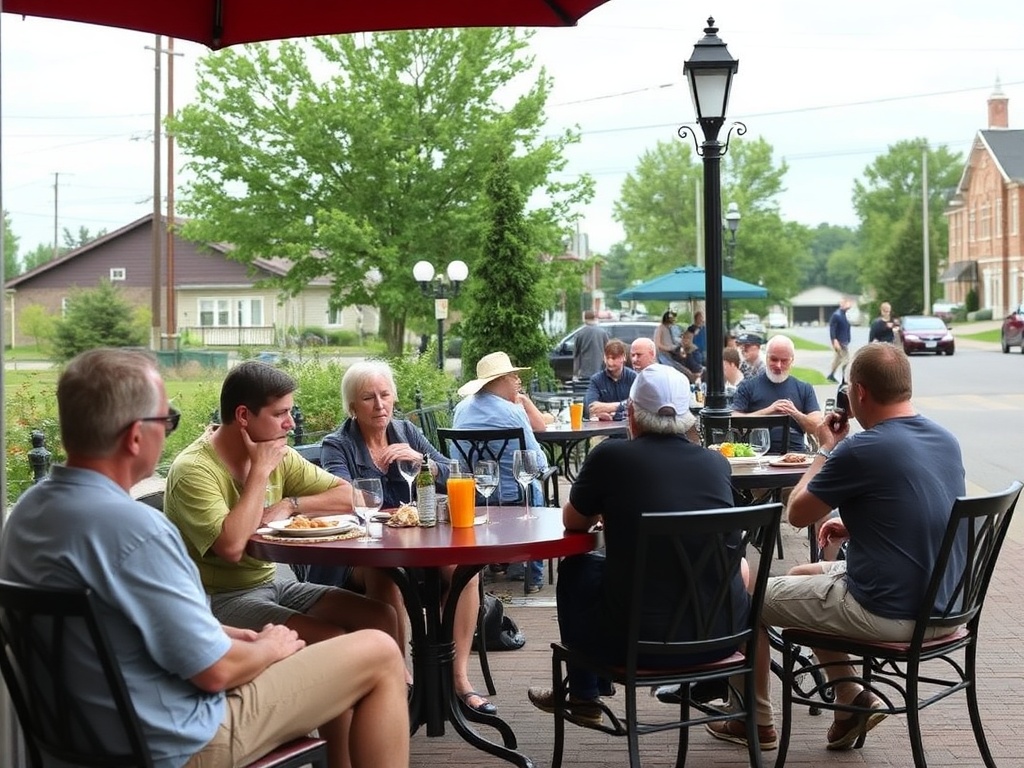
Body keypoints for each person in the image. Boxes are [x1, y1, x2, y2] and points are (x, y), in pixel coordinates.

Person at [0, 349, 408, 768]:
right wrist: (269, 647)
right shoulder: (139, 531)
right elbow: (216, 672)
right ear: (136, 437)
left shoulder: (27, 516)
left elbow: (133, 625)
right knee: (378, 651)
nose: (169, 432)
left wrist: (235, 636)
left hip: (83, 741)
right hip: (179, 740)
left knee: (358, 633)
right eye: (167, 420)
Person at [707, 343, 965, 753]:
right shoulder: (944, 439)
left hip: (892, 611)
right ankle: (850, 700)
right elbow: (922, 510)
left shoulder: (861, 449)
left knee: (743, 597)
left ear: (859, 392)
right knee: (802, 576)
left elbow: (798, 513)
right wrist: (856, 523)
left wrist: (825, 448)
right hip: (946, 606)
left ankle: (752, 720)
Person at [526, 364, 742, 725]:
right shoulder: (716, 463)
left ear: (631, 414)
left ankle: (584, 694)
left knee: (579, 567)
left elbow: (573, 522)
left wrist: (610, 510)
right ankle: (589, 691)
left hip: (636, 646)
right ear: (688, 417)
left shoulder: (610, 456)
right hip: (721, 640)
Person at [164, 361, 401, 651]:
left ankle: (397, 681)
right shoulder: (194, 470)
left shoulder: (280, 455)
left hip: (271, 585)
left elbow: (354, 497)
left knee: (380, 615)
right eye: (280, 414)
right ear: (243, 416)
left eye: (290, 412)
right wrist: (260, 471)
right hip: (216, 599)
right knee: (331, 638)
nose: (291, 423)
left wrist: (292, 504)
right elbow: (232, 547)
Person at [314, 360, 495, 715]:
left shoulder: (406, 432)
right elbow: (342, 494)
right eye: (368, 398)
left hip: (417, 547)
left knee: (466, 569)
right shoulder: (338, 445)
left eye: (385, 395)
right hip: (361, 553)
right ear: (352, 405)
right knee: (386, 573)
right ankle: (401, 680)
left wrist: (423, 461)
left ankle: (457, 679)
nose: (379, 405)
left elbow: (457, 473)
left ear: (394, 398)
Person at [453, 351, 550, 592]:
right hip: (516, 495)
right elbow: (537, 462)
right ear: (500, 380)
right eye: (513, 376)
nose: (518, 380)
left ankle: (492, 562)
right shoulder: (513, 412)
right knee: (535, 486)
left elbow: (457, 461)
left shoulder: (461, 409)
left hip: (475, 495)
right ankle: (533, 576)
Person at [732, 335, 822, 453]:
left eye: (784, 361)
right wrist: (768, 411)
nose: (778, 366)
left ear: (792, 360)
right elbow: (734, 420)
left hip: (796, 455)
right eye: (774, 359)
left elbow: (817, 427)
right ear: (766, 357)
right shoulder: (748, 386)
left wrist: (795, 413)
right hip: (758, 454)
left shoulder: (804, 388)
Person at [584, 339, 637, 421]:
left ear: (623, 357)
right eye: (607, 357)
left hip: (628, 425)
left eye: (613, 358)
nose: (609, 362)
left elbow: (638, 405)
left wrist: (612, 410)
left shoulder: (634, 378)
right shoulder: (596, 380)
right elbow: (590, 407)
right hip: (604, 427)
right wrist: (623, 407)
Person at [573, 309, 610, 380]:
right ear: (594, 318)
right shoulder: (602, 333)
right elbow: (609, 350)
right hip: (600, 369)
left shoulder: (580, 333)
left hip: (584, 371)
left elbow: (576, 354)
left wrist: (575, 373)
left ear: (585, 319)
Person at [827, 298, 853, 382]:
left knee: (837, 359)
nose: (849, 305)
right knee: (846, 360)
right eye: (847, 303)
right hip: (840, 342)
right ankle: (845, 379)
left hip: (844, 341)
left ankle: (831, 375)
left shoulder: (844, 315)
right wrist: (834, 340)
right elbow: (832, 329)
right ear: (842, 304)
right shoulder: (837, 315)